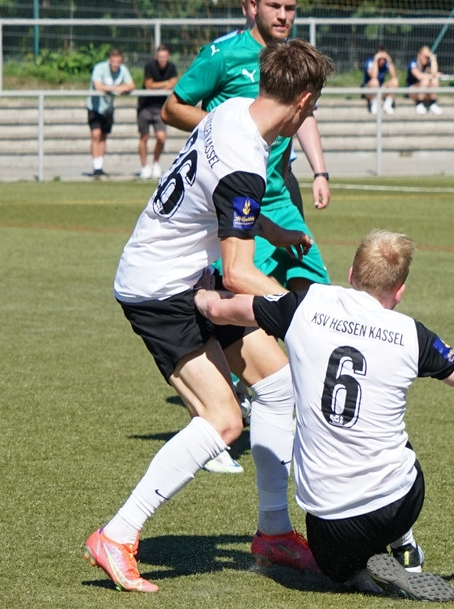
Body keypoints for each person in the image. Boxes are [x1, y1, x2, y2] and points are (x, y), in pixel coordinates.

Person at [82, 40, 335, 593]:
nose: (311, 115)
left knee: (278, 384)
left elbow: (217, 199)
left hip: (189, 275)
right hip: (158, 289)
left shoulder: (232, 110)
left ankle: (273, 533)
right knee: (224, 421)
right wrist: (317, 310)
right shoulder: (246, 161)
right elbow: (240, 273)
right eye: (314, 107)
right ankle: (116, 536)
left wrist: (271, 230)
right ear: (302, 101)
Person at [195, 229, 454, 601]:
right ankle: (403, 544)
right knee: (391, 435)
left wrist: (192, 293)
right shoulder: (412, 334)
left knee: (335, 569)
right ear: (399, 291)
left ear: (351, 274)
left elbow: (219, 310)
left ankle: (356, 571)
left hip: (329, 520)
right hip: (397, 504)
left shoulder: (306, 304)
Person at [161, 0, 331, 292]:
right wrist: (228, 127)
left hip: (280, 199)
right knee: (254, 298)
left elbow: (305, 115)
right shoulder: (223, 55)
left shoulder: (295, 58)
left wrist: (320, 173)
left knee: (316, 296)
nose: (283, 15)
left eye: (290, 8)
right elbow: (171, 109)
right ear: (253, 6)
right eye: (274, 6)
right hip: (238, 200)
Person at [86, 48, 135, 177]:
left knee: (103, 136)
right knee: (95, 135)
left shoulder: (122, 69)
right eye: (113, 62)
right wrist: (117, 88)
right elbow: (98, 86)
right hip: (95, 107)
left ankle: (99, 166)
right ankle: (95, 167)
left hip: (108, 108)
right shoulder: (99, 68)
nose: (115, 64)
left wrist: (125, 89)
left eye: (118, 62)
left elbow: (131, 85)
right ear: (109, 61)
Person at [136, 45, 178, 179]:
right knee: (144, 137)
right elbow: (149, 85)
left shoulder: (172, 68)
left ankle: (155, 163)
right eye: (160, 57)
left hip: (160, 107)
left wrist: (158, 85)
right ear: (156, 57)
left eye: (164, 57)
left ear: (168, 57)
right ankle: (144, 167)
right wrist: (165, 84)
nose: (162, 59)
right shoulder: (150, 67)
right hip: (145, 106)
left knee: (161, 137)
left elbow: (174, 83)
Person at [363, 44, 399, 115]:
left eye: (384, 58)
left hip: (380, 90)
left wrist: (389, 60)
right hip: (369, 91)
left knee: (395, 81)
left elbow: (394, 75)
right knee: (374, 82)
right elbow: (374, 76)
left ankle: (387, 105)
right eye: (380, 58)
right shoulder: (370, 62)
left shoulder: (386, 62)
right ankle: (374, 105)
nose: (382, 60)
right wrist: (376, 61)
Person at [406, 46, 442, 114]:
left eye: (428, 57)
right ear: (419, 55)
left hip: (425, 90)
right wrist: (432, 76)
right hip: (413, 90)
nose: (426, 59)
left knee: (434, 80)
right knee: (425, 81)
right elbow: (419, 76)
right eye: (425, 56)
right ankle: (419, 104)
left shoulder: (429, 64)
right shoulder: (413, 62)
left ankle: (433, 103)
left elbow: (434, 73)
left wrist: (433, 59)